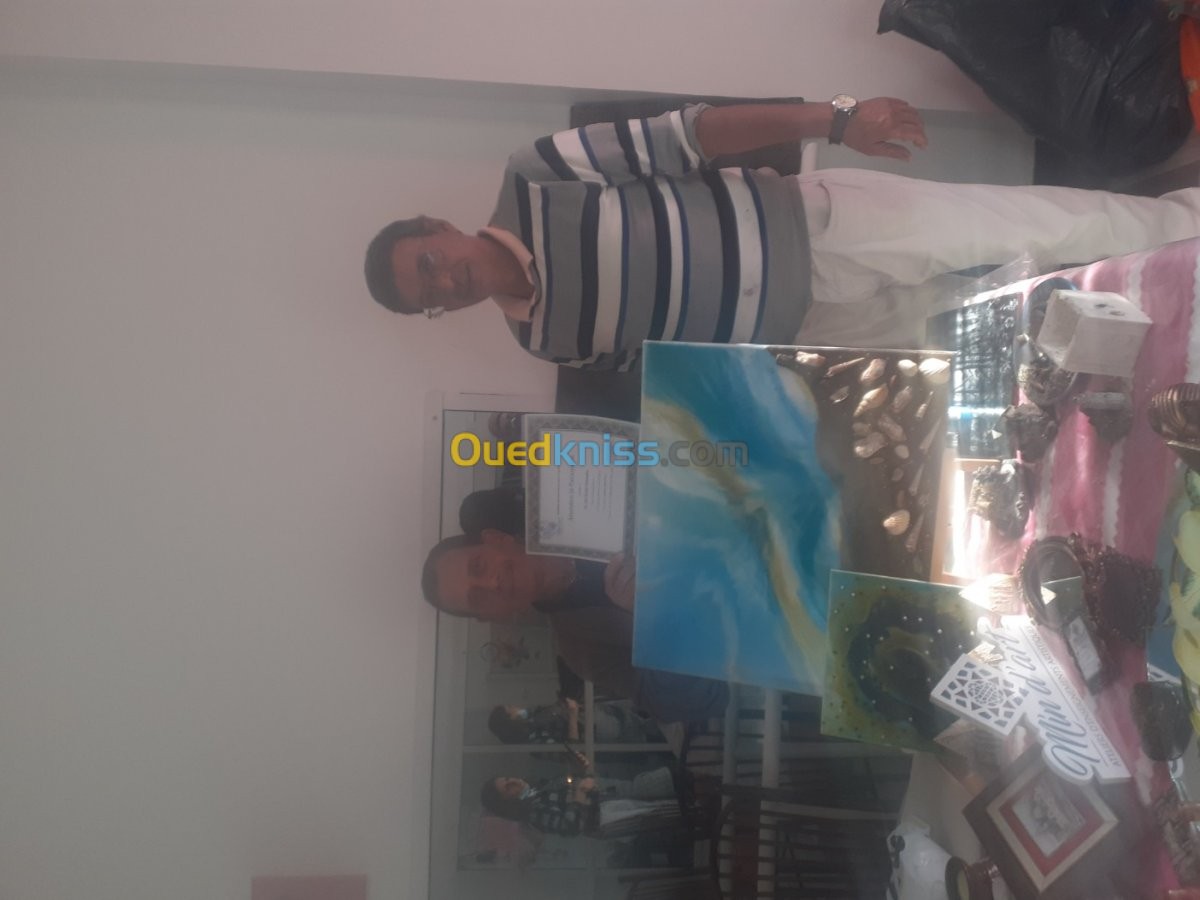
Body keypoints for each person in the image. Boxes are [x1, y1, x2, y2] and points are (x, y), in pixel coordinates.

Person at [364, 96, 1200, 364]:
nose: (447, 281)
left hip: (823, 226)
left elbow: (690, 134)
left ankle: (1189, 229)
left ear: (439, 226)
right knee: (1016, 335)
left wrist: (837, 120)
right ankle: (1177, 327)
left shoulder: (535, 174)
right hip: (816, 330)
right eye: (429, 294)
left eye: (429, 261)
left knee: (1044, 228)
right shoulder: (542, 341)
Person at [422, 528, 727, 723]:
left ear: (495, 538)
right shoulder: (581, 651)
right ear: (492, 616)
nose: (492, 583)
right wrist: (655, 620)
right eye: (478, 598)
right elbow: (699, 702)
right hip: (742, 626)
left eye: (479, 566)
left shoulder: (573, 507)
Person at [481, 771, 679, 839]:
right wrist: (580, 793)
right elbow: (571, 826)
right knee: (664, 810)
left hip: (608, 799)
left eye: (507, 778)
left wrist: (580, 781)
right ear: (506, 802)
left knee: (663, 794)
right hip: (608, 816)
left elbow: (569, 784)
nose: (513, 781)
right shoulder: (533, 813)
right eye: (507, 787)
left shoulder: (538, 790)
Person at [488, 698, 662, 744]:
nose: (514, 706)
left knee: (641, 708)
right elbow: (572, 749)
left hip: (597, 712)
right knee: (643, 726)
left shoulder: (535, 715)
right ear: (511, 719)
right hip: (597, 727)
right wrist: (572, 715)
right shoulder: (536, 739)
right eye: (510, 709)